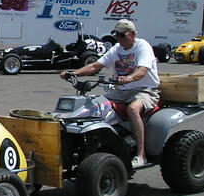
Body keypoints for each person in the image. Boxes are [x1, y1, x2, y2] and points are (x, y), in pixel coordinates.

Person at [59, 18, 159, 168]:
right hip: (122, 91)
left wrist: (129, 78)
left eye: (121, 35)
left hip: (145, 90)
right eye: (116, 36)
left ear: (131, 34)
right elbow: (95, 66)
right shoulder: (117, 49)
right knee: (96, 106)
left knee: (133, 108)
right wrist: (73, 74)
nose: (118, 39)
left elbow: (142, 71)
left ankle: (141, 154)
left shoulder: (142, 46)